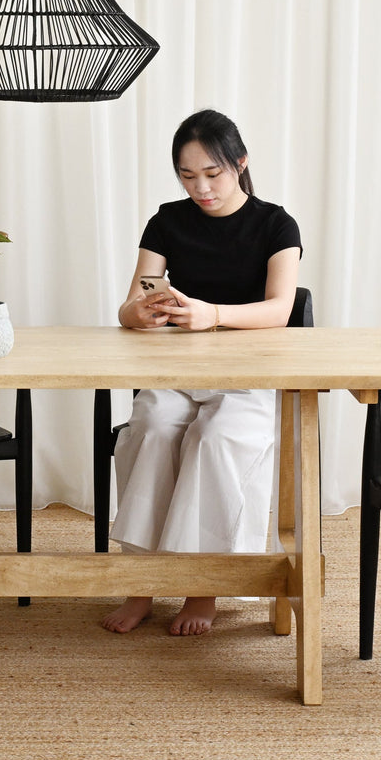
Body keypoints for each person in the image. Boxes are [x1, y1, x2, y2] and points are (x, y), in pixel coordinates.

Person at [102, 109, 302, 637]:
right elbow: (132, 302)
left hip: (249, 377)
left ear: (239, 163)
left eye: (212, 174)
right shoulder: (167, 221)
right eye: (188, 177)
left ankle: (203, 586)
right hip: (179, 372)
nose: (201, 188)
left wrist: (212, 314)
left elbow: (280, 308)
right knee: (150, 426)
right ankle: (141, 583)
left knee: (216, 439)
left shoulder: (276, 224)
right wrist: (137, 314)